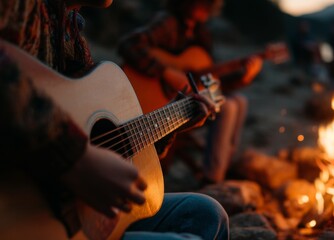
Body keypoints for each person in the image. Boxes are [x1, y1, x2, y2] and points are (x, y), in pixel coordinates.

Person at [0, 0, 229, 239]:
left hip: (75, 210)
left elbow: (110, 141)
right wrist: (76, 159)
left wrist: (175, 119)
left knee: (207, 213)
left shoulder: (69, 26)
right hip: (23, 215)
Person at [118, 0, 263, 184]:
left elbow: (208, 83)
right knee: (228, 107)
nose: (208, 6)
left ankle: (225, 165)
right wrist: (167, 72)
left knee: (240, 100)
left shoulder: (201, 32)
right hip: (160, 98)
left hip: (185, 97)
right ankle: (212, 179)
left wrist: (243, 78)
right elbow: (128, 44)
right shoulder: (169, 22)